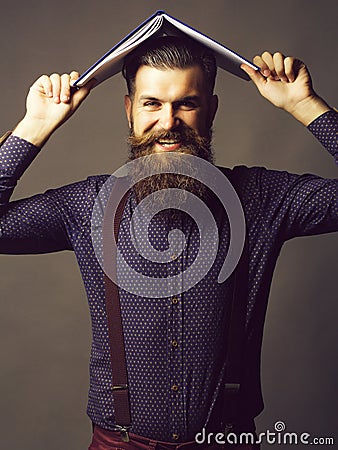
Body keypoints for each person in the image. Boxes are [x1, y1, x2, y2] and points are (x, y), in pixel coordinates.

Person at [0, 36, 337, 450]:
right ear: (129, 111)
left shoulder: (262, 199)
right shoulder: (88, 205)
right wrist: (34, 126)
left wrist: (306, 107)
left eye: (186, 103)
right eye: (152, 103)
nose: (169, 121)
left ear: (211, 110)